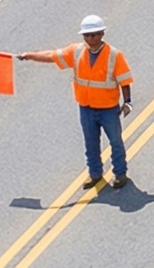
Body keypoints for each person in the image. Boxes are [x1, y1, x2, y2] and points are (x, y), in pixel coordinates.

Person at [19, 14, 133, 189]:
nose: (90, 38)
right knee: (90, 143)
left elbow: (124, 81)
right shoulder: (76, 51)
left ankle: (120, 173)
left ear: (102, 34)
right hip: (86, 107)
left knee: (115, 141)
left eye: (94, 34)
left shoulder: (114, 55)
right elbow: (52, 56)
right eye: (87, 35)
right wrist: (30, 56)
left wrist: (127, 102)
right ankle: (95, 174)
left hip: (108, 109)